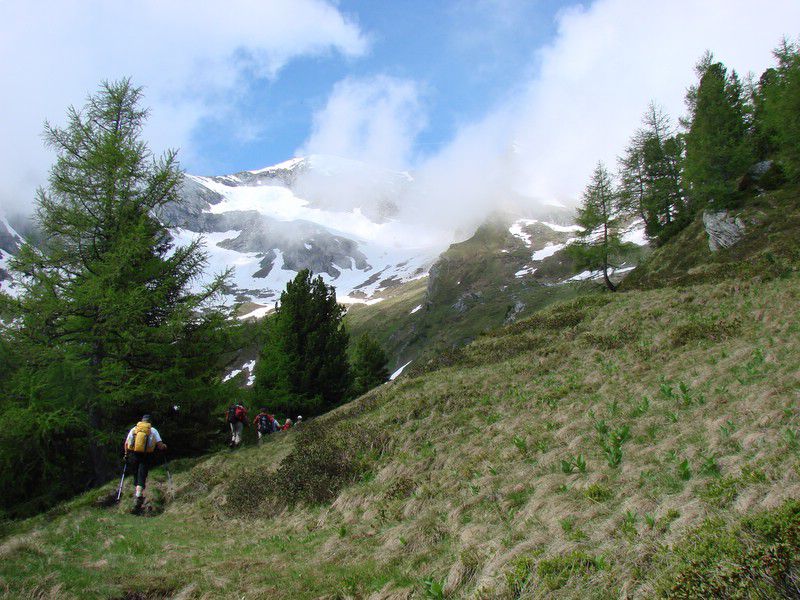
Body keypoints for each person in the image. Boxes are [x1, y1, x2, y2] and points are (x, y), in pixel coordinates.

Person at [123, 414, 167, 513]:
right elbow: (160, 446)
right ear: (150, 422)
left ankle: (137, 494)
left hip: (133, 454)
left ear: (142, 421)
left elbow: (126, 443)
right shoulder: (153, 430)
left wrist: (126, 454)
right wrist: (164, 446)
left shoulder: (134, 429)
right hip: (146, 455)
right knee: (142, 474)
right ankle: (138, 495)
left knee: (136, 474)